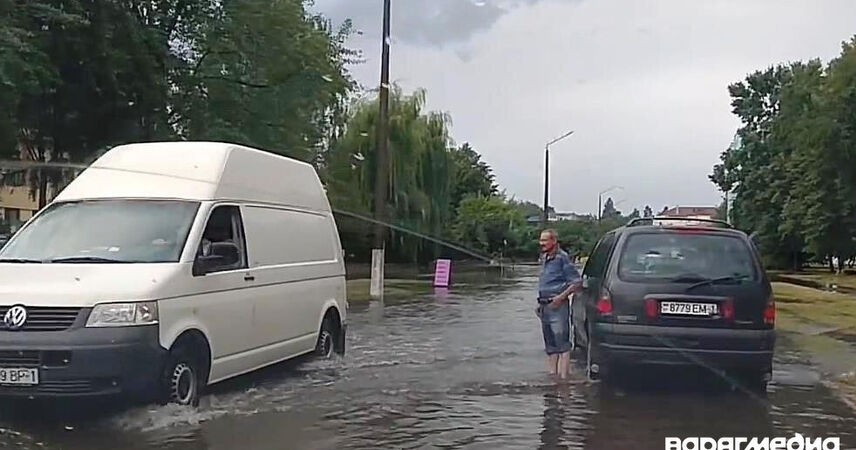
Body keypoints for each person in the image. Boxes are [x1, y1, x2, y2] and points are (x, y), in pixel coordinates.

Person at [536, 229, 581, 380]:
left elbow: (576, 282)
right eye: (541, 240)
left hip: (558, 306)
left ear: (554, 241)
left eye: (544, 240)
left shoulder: (562, 258)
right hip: (544, 306)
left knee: (562, 344)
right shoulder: (544, 258)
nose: (541, 243)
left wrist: (560, 298)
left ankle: (563, 379)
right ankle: (552, 378)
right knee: (550, 346)